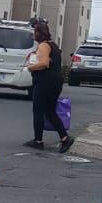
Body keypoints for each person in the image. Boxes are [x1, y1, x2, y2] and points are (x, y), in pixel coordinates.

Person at [25, 17, 73, 153]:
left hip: (46, 82)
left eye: (35, 32)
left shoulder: (44, 46)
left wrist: (30, 67)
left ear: (38, 34)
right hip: (56, 81)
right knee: (50, 111)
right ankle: (65, 138)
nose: (33, 34)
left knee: (38, 110)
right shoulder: (53, 45)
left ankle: (38, 140)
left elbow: (44, 63)